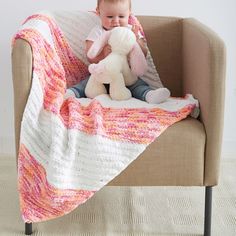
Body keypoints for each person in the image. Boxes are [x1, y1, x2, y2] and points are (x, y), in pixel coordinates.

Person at [65, 0, 170, 104]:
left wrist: (136, 39)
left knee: (138, 85)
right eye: (110, 17)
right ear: (98, 12)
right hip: (102, 75)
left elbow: (144, 54)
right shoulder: (98, 31)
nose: (116, 21)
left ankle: (149, 95)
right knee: (86, 83)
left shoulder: (130, 32)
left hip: (126, 77)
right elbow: (90, 55)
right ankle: (72, 92)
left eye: (121, 16)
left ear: (129, 13)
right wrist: (102, 54)